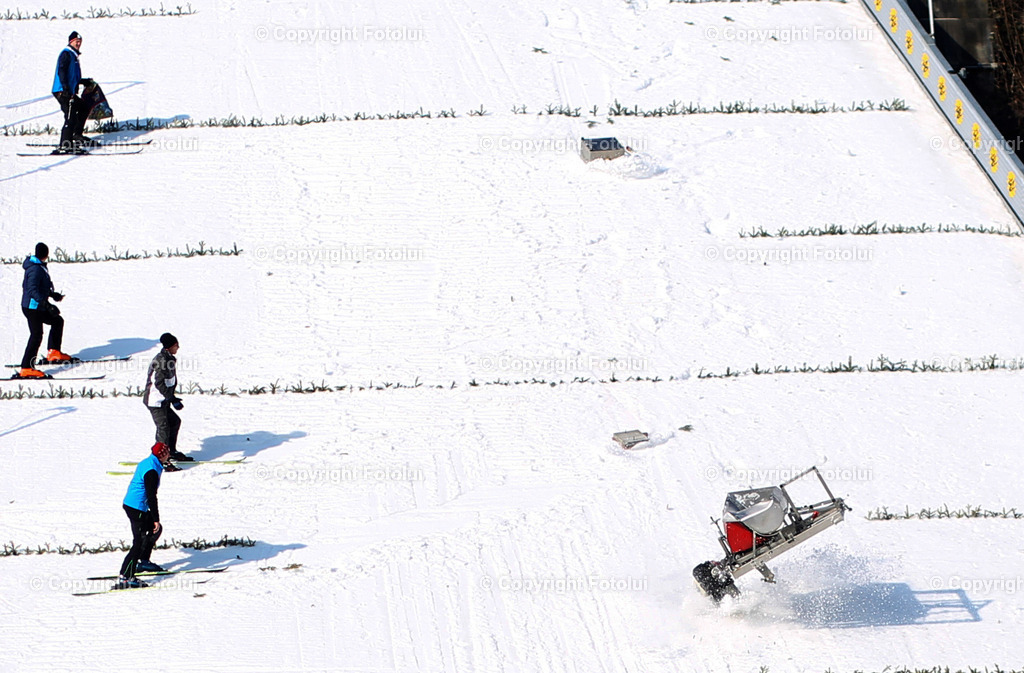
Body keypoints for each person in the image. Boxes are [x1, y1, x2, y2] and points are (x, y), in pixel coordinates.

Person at [115, 442, 169, 589]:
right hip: (136, 508)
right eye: (167, 453)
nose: (169, 455)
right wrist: (156, 518)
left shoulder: (150, 462)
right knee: (138, 543)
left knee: (154, 529)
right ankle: (125, 576)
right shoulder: (151, 470)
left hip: (136, 505)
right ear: (162, 455)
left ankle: (143, 561)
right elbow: (152, 496)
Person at [19, 243, 71, 378]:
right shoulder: (35, 269)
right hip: (32, 308)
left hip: (38, 306)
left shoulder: (39, 266)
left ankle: (54, 352)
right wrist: (47, 305)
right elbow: (32, 290)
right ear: (46, 254)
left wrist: (53, 295)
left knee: (57, 321)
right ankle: (26, 367)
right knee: (36, 335)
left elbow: (41, 287)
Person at [144, 333, 192, 462]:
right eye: (176, 345)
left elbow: (168, 381)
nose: (178, 347)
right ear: (169, 347)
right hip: (155, 401)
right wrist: (171, 398)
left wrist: (172, 397)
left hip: (163, 400)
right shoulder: (162, 361)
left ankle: (170, 452)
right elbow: (159, 383)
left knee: (174, 422)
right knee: (163, 428)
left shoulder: (168, 358)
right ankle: (159, 459)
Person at [51, 31, 95, 154]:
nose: (78, 43)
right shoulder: (66, 54)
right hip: (62, 91)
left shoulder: (73, 56)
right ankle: (65, 144)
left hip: (68, 91)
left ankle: (76, 135)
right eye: (76, 41)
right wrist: (65, 88)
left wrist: (83, 81)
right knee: (70, 117)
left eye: (80, 41)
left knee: (83, 108)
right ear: (71, 42)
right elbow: (62, 71)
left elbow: (72, 76)